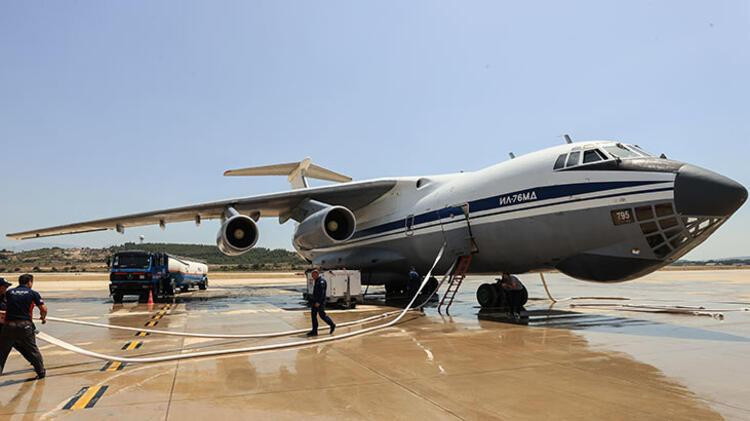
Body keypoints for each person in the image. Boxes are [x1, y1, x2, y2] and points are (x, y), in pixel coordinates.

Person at [0, 274, 47, 379]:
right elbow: (43, 309)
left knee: (2, 353)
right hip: (24, 326)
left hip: (8, 326)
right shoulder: (32, 293)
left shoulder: (9, 293)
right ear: (29, 282)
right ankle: (41, 373)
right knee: (32, 350)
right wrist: (43, 318)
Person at [307, 270, 335, 337]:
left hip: (320, 302)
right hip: (315, 302)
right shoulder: (317, 281)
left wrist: (318, 302)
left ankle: (332, 324)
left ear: (317, 274)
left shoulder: (321, 281)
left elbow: (322, 293)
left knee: (322, 315)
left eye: (313, 275)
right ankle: (314, 331)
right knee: (313, 316)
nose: (312, 277)